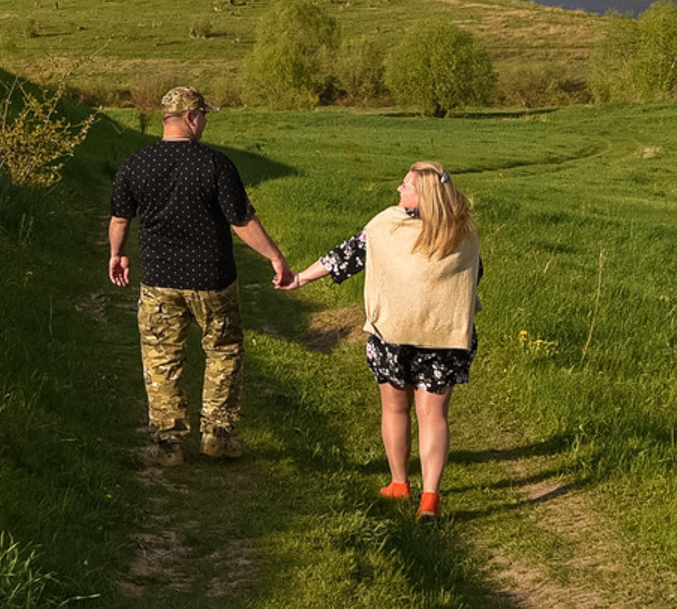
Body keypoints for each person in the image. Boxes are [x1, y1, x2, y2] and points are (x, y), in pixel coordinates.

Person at [286, 161, 481, 519]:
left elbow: (346, 255)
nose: (398, 190)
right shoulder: (463, 234)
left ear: (422, 196)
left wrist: (300, 279)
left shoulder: (386, 225)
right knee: (433, 414)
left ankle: (398, 483)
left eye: (405, 185)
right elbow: (472, 279)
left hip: (392, 334)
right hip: (444, 335)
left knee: (395, 408)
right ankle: (430, 498)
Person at [108, 86, 292, 459]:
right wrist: (275, 257)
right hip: (212, 279)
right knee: (223, 353)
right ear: (191, 118)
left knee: (161, 358)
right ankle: (217, 437)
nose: (205, 122)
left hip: (160, 281)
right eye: (203, 116)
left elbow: (119, 218)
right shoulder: (214, 164)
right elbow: (241, 220)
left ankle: (168, 444)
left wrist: (117, 254)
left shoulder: (136, 163)